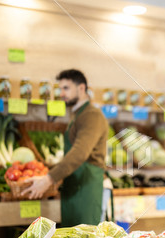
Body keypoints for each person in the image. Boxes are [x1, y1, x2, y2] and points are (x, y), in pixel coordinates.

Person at [22, 69, 109, 226]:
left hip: (86, 188)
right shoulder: (77, 115)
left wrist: (49, 179)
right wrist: (47, 177)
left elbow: (80, 153)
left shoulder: (91, 115)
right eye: (60, 89)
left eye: (66, 88)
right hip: (74, 187)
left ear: (81, 88)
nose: (61, 93)